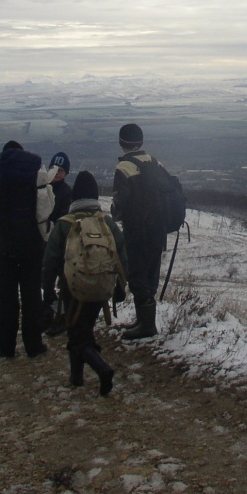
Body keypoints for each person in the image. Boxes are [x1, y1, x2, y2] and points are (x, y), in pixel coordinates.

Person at [42, 171, 127, 395]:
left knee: (77, 333)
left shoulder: (64, 224)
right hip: (102, 288)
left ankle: (101, 368)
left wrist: (47, 289)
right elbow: (122, 257)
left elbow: (50, 261)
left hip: (73, 289)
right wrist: (121, 287)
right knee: (82, 329)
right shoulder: (107, 223)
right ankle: (76, 377)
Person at [0, 140, 48, 359]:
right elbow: (45, 210)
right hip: (33, 248)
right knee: (32, 297)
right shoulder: (37, 177)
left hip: (5, 248)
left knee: (7, 299)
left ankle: (6, 348)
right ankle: (34, 346)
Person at [112, 123, 167, 339]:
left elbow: (121, 203)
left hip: (136, 230)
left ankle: (146, 325)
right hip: (158, 228)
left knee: (136, 273)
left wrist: (115, 214)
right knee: (151, 272)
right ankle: (144, 320)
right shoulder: (155, 162)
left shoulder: (124, 167)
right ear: (141, 141)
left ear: (121, 143)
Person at [48, 151, 73, 223]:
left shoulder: (67, 192)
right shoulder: (41, 186)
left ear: (65, 174)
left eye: (60, 170)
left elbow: (64, 216)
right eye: (54, 169)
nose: (56, 173)